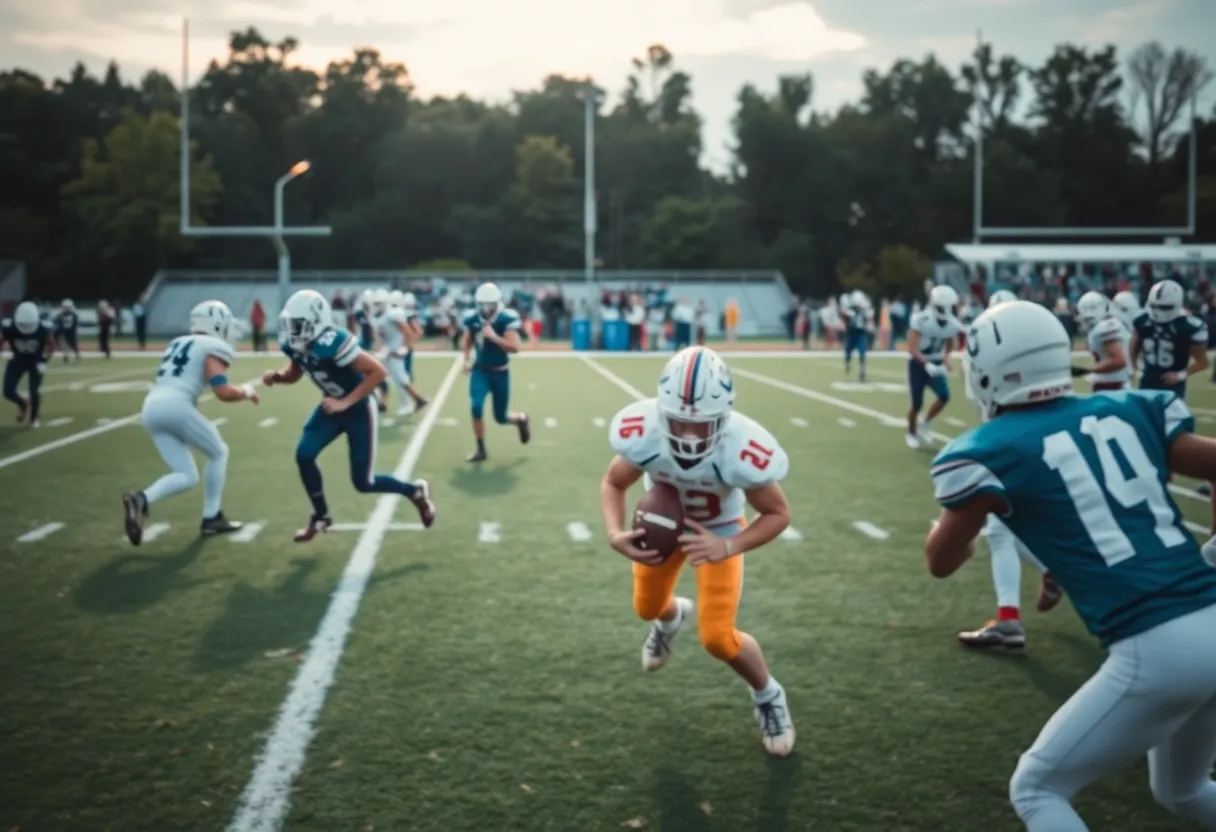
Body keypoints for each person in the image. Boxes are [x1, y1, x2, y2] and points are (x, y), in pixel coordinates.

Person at [927, 299, 1216, 830]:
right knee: (1184, 791)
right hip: (1212, 617)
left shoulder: (988, 449)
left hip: (1155, 645)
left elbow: (941, 562)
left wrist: (945, 536)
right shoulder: (1130, 409)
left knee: (1037, 789)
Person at [599, 346, 795, 756]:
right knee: (647, 608)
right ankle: (672, 619)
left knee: (718, 639)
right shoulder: (648, 434)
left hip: (719, 533)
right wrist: (615, 532)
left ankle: (768, 694)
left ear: (723, 418)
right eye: (679, 423)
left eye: (701, 426)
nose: (688, 436)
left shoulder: (739, 446)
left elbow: (778, 513)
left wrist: (728, 545)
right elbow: (613, 482)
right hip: (661, 531)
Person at [262, 290, 436, 542]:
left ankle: (415, 492)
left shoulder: (333, 341)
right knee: (304, 454)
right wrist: (278, 377)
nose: (293, 330)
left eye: (298, 325)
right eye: (291, 324)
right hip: (332, 408)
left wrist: (346, 401)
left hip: (358, 409)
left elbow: (377, 372)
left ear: (316, 321)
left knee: (363, 482)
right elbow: (295, 371)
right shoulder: (296, 344)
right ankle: (321, 515)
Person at [121, 301, 255, 544]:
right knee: (219, 452)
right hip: (176, 405)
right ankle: (211, 517)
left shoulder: (177, 342)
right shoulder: (212, 346)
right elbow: (223, 391)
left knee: (186, 474)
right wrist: (246, 391)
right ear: (215, 324)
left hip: (150, 408)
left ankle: (140, 499)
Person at [461, 282, 530, 462]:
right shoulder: (473, 317)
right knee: (476, 406)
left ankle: (521, 419)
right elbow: (468, 338)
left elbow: (515, 348)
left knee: (500, 417)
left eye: (489, 304)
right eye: (482, 303)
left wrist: (493, 337)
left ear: (497, 302)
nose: (486, 308)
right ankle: (481, 448)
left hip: (500, 372)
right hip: (480, 371)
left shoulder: (506, 318)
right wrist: (466, 360)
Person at [904, 285, 963, 448]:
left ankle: (926, 422)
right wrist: (925, 363)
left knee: (944, 396)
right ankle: (911, 432)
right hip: (917, 364)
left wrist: (945, 359)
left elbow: (950, 342)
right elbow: (912, 347)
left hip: (935, 362)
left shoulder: (952, 323)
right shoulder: (921, 319)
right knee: (916, 404)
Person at [0, 301, 55, 428]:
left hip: (36, 360)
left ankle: (34, 417)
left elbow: (51, 345)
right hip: (18, 359)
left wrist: (45, 360)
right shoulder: (10, 327)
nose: (26, 327)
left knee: (34, 391)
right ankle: (22, 403)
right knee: (7, 391)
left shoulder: (43, 328)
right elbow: (1, 341)